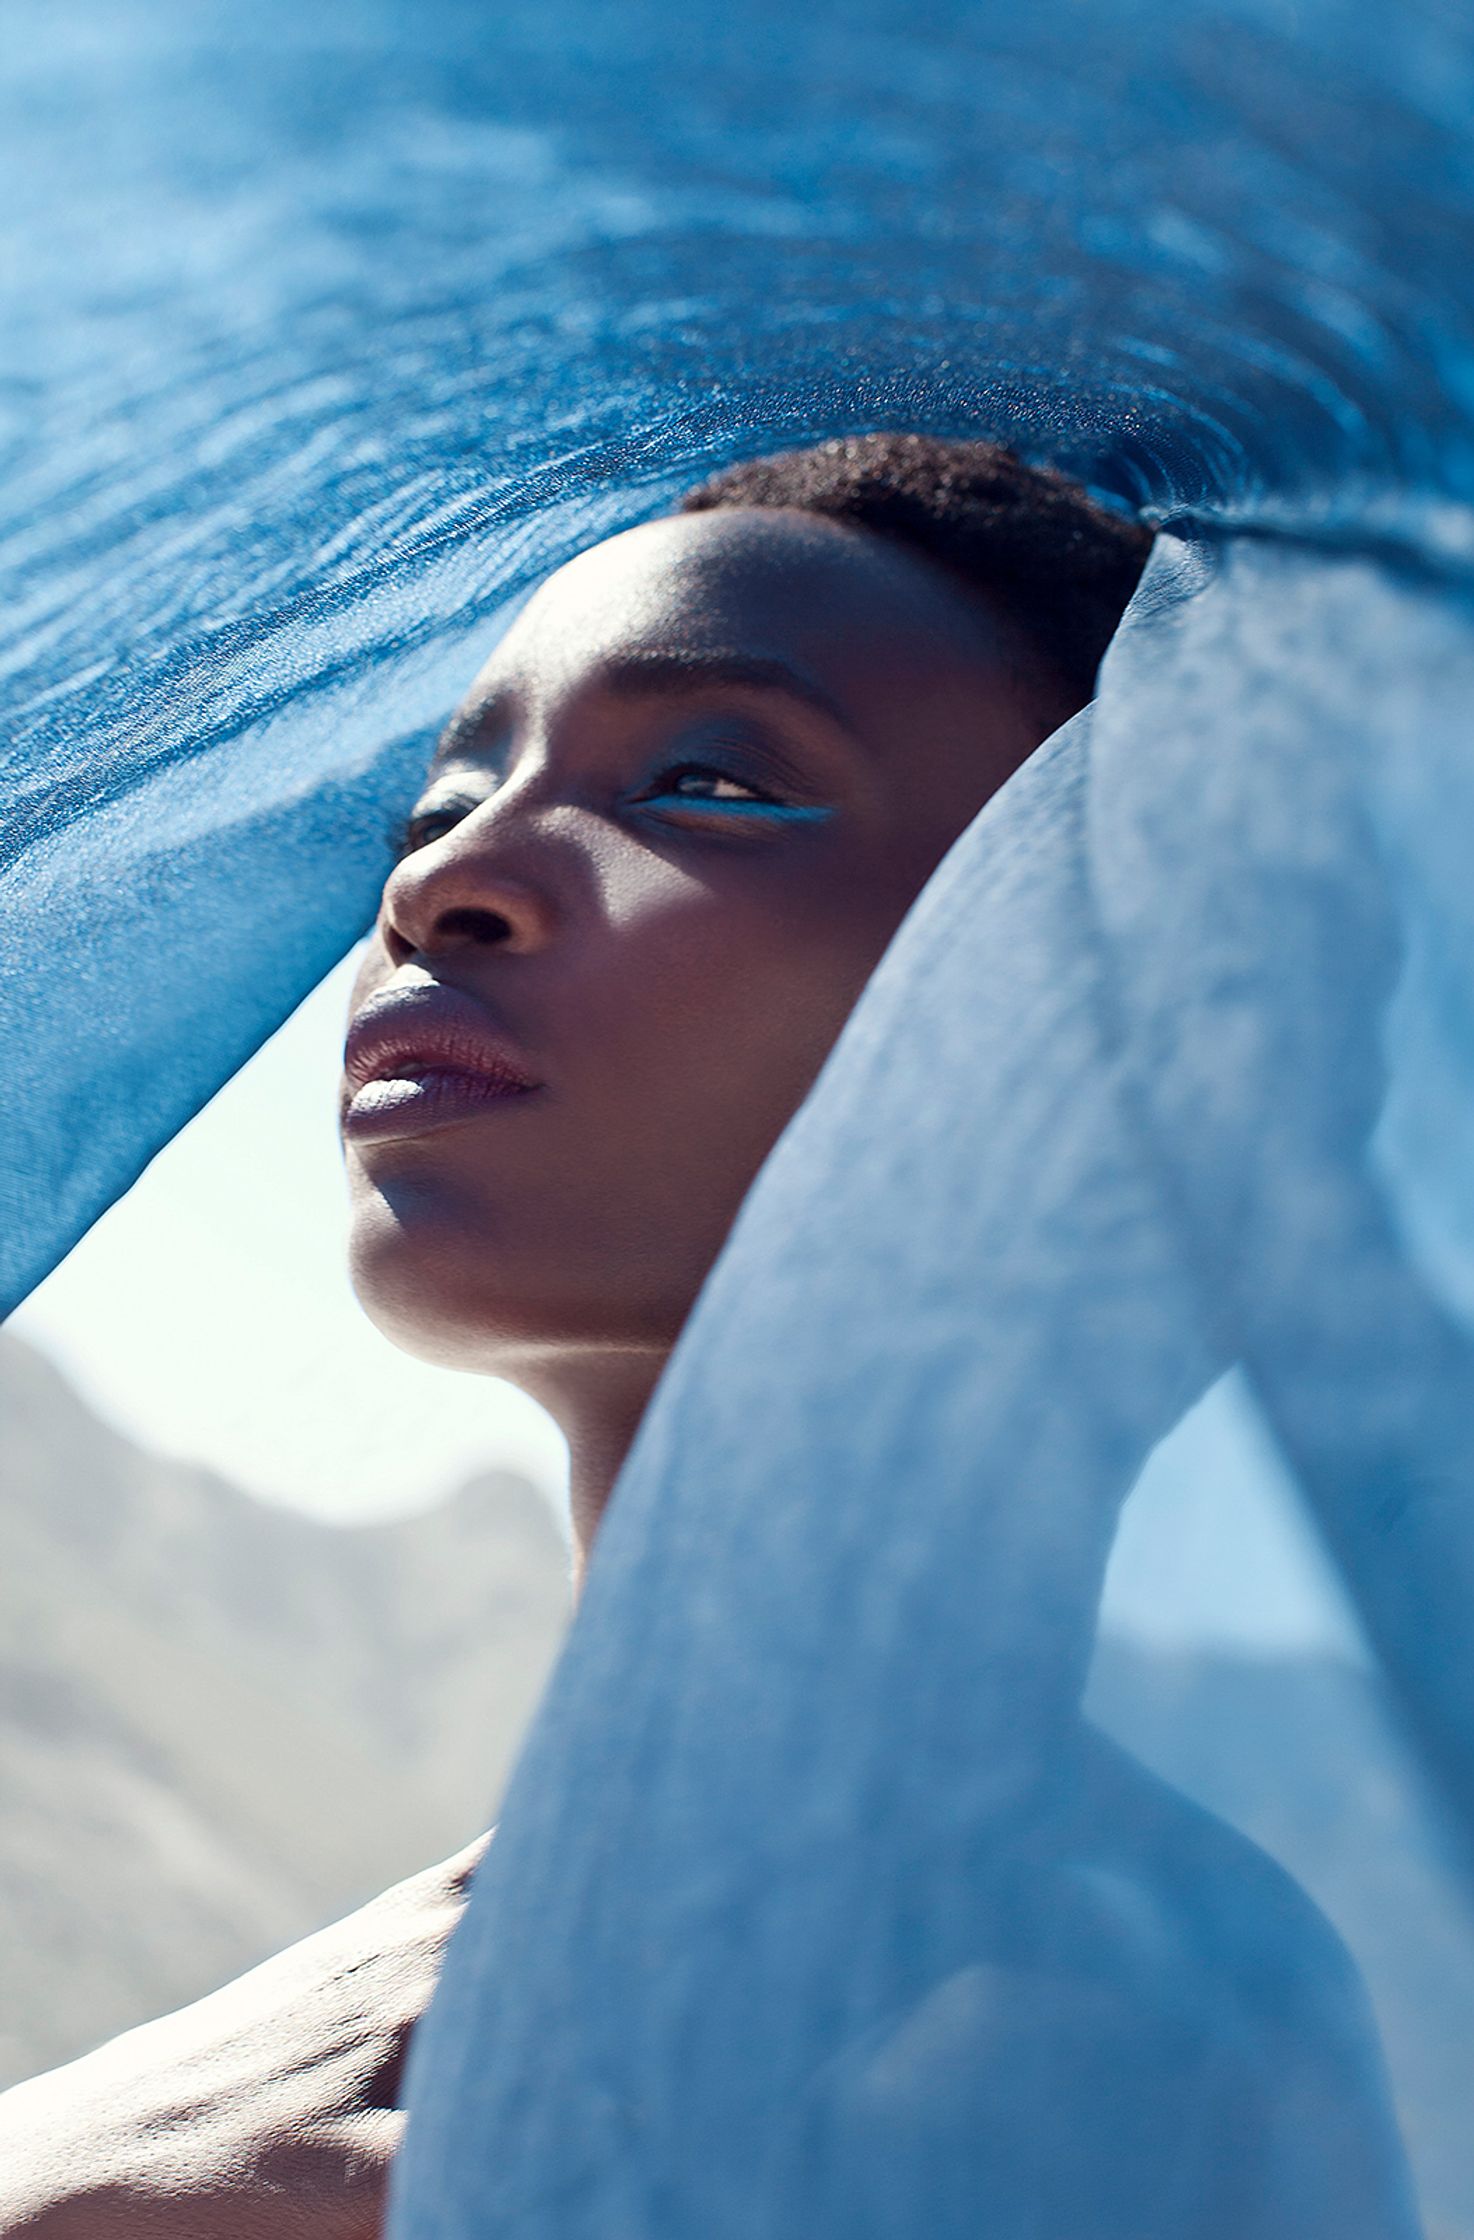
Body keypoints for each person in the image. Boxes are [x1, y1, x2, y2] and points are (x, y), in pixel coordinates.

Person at [0, 436, 1414, 2235]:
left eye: (710, 786)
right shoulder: (461, 1987)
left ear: (1106, 1029)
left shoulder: (1049, 2071)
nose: (445, 886)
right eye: (433, 805)